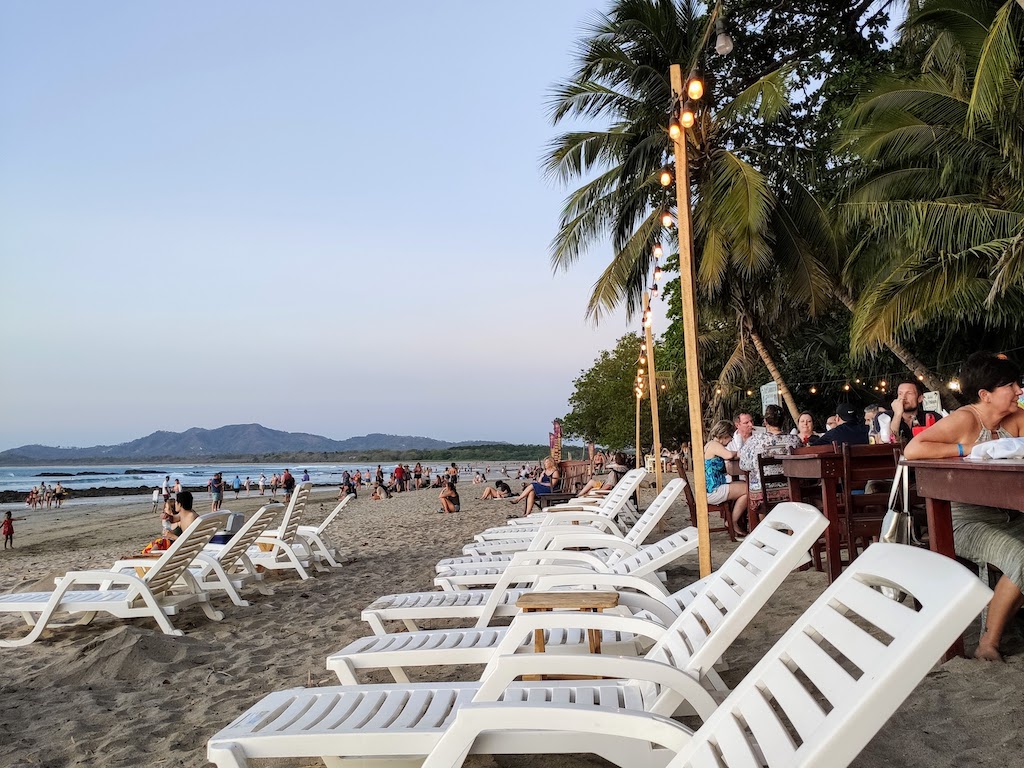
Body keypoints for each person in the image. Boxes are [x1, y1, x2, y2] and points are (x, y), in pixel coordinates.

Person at [904, 351, 1024, 662]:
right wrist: (966, 447)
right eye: (1011, 385)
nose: (1019, 391)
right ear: (985, 394)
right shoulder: (965, 419)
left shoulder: (1017, 419)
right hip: (966, 523)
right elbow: (913, 448)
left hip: (1012, 515)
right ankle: (988, 642)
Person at [740, 404, 801, 520]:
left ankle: (765, 529)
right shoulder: (794, 440)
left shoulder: (755, 441)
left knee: (756, 486)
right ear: (783, 421)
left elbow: (744, 465)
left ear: (765, 421)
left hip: (762, 491)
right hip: (790, 489)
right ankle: (790, 532)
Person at [704, 420, 749, 534]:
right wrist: (739, 453)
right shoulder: (715, 445)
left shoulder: (710, 444)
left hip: (712, 487)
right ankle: (732, 521)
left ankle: (733, 520)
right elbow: (728, 455)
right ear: (724, 435)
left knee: (745, 487)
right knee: (748, 490)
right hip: (713, 489)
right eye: (730, 437)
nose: (730, 440)